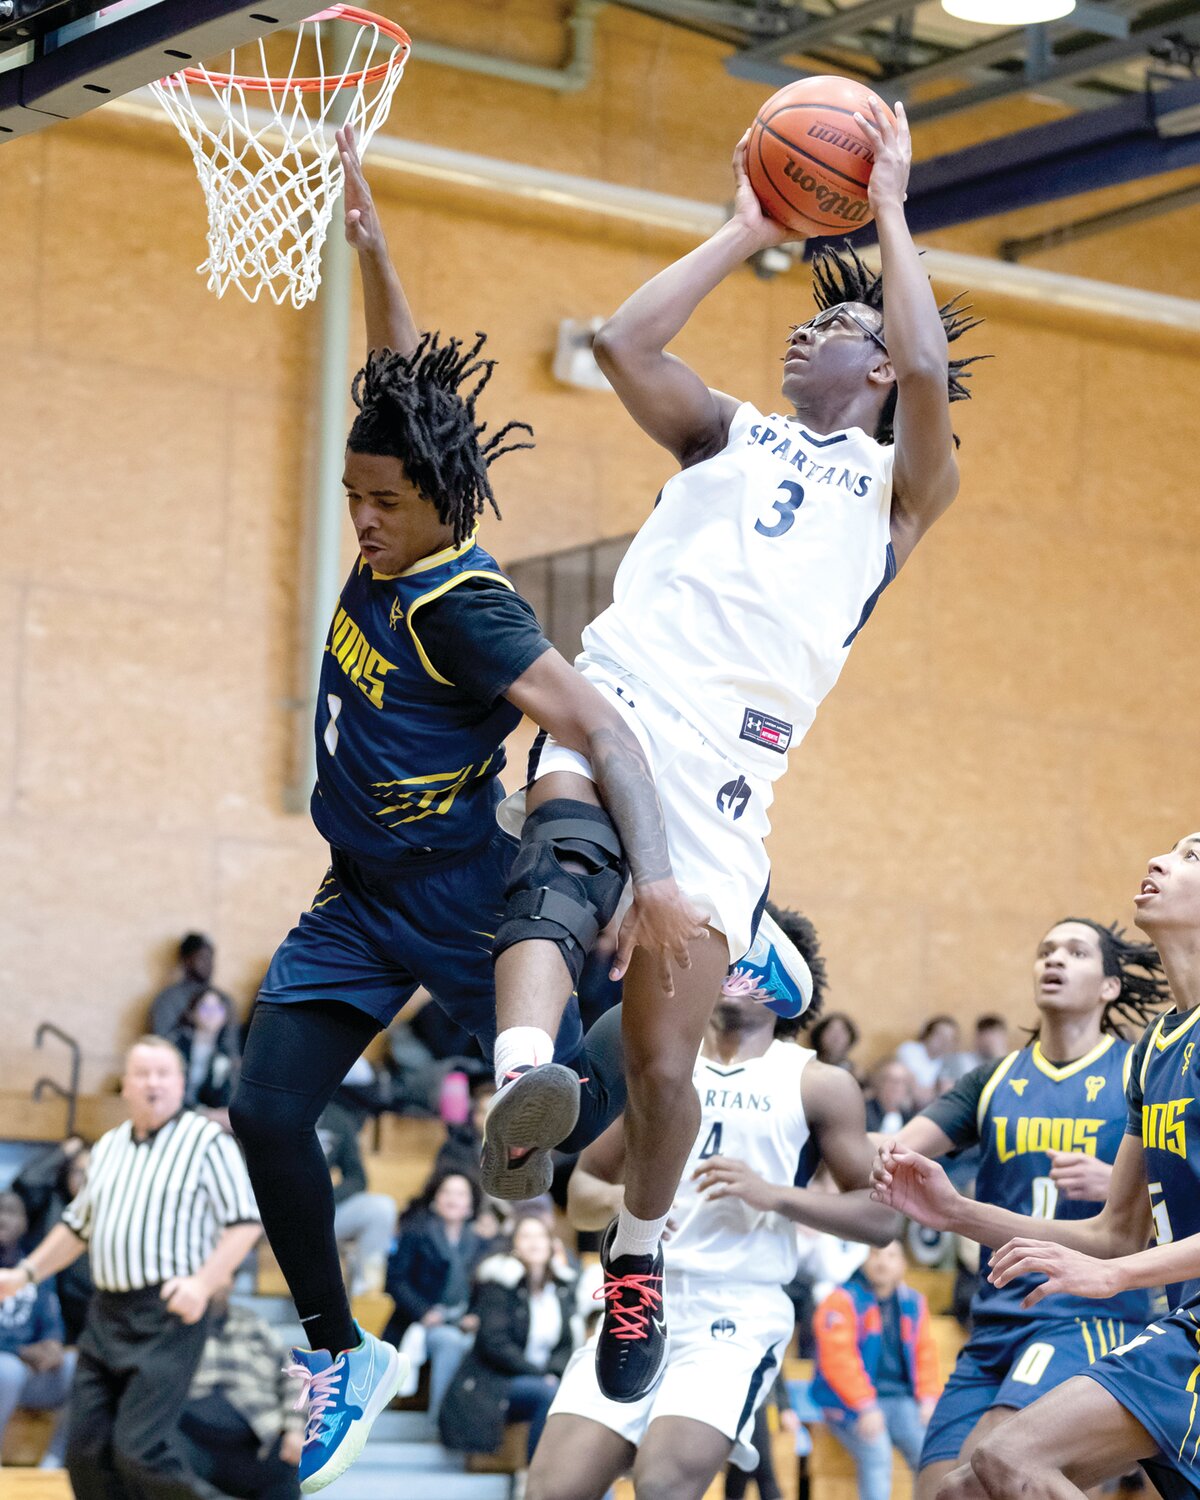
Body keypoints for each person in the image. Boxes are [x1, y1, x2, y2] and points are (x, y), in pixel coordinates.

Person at [225, 126, 703, 1494]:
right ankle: (342, 1353)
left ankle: (723, 990)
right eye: (352, 498)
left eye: (381, 503)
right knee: (264, 1113)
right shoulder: (401, 514)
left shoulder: (470, 605)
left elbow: (601, 723)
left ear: (433, 506)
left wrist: (654, 879)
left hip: (454, 890)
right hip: (354, 894)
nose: (361, 519)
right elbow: (408, 392)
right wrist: (374, 252)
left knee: (586, 1120)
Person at [483, 97, 983, 1403]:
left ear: (874, 374)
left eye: (844, 325)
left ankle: (637, 1254)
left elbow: (932, 374)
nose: (812, 325)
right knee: (558, 857)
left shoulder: (900, 493)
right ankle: (520, 1082)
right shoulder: (724, 431)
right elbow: (621, 340)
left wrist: (888, 208)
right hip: (618, 703)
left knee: (660, 1067)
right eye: (815, 312)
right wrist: (745, 223)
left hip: (727, 793)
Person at [525, 908, 901, 1500]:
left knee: (663, 1485)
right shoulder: (657, 1064)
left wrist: (775, 1195)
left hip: (737, 1315)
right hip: (637, 1302)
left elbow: (884, 1220)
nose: (737, 966)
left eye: (756, 953)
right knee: (549, 1492)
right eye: (729, 951)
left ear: (790, 980)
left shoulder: (817, 1083)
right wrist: (632, 1202)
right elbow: (581, 1197)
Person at [871, 873, 1200, 1500]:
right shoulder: (1159, 1048)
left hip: (1088, 1316)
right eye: (1047, 949)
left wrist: (1116, 1272)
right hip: (1011, 1316)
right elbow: (1111, 1231)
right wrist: (953, 1209)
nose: (1161, 860)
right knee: (954, 1491)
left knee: (1008, 1465)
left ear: (1108, 985)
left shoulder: (1126, 1059)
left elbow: (1116, 1249)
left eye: (1076, 951)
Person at [0, 1036, 261, 1500]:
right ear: (126, 1085)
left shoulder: (205, 1141)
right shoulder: (108, 1148)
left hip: (168, 1312)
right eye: (143, 1074)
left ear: (181, 1083)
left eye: (164, 1074)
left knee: (140, 1450)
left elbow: (244, 1224)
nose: (153, 1084)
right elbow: (76, 1228)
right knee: (85, 1452)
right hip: (107, 1313)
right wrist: (25, 1275)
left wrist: (204, 1283)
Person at [438, 1215, 578, 1465]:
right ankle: (536, 1478)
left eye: (540, 1236)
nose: (534, 1242)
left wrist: (552, 1372)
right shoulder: (500, 1284)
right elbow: (494, 1344)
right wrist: (538, 1374)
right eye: (526, 1236)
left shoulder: (561, 1288)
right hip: (494, 1381)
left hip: (543, 1378)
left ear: (551, 1244)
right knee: (547, 1393)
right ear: (514, 1245)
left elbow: (566, 1344)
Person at [811, 1239, 942, 1500]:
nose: (883, 1261)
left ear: (903, 1265)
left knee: (933, 1454)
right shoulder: (841, 1300)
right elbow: (838, 1361)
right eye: (875, 1254)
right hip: (848, 1405)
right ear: (864, 1259)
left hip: (902, 1400)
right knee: (877, 1452)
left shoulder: (913, 1303)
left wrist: (928, 1399)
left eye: (891, 1256)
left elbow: (926, 1354)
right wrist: (865, 1406)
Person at [382, 1171, 494, 1418]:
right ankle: (440, 1421)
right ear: (435, 1198)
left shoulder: (480, 1242)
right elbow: (395, 1281)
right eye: (447, 1192)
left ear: (471, 1203)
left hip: (463, 1322)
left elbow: (486, 1290)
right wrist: (423, 1312)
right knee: (450, 1342)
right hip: (419, 1322)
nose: (453, 1199)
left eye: (461, 1193)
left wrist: (475, 1316)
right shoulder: (415, 1231)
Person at [180, 1289, 302, 1500]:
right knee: (159, 1458)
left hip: (258, 1438)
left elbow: (294, 1373)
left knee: (286, 1463)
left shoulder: (253, 1323)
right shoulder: (173, 1326)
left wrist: (295, 1428)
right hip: (191, 1437)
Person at [0, 1192, 76, 1469]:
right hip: (8, 1370)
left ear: (24, 1222)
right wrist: (19, 1352)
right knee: (5, 1370)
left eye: (10, 1211)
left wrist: (53, 1345)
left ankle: (55, 1462)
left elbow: (52, 1325)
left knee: (78, 1366)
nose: (2, 1218)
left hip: (30, 1375)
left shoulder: (35, 1269)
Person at [314, 1094, 397, 1298]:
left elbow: (357, 1178)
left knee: (381, 1208)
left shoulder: (337, 1119)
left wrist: (324, 1199)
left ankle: (365, 1291)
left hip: (315, 1211)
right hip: (264, 1208)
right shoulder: (272, 1106)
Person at [170, 988, 241, 1116]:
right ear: (192, 1013)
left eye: (217, 1009)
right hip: (177, 1112)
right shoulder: (176, 1045)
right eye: (205, 1008)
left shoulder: (227, 1053)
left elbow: (227, 1097)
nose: (211, 1014)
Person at [150, 933, 234, 1038]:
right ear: (186, 960)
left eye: (210, 958)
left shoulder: (224, 1000)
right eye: (202, 957)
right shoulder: (167, 999)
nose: (209, 963)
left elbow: (231, 1048)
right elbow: (161, 1043)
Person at [896, 1017, 962, 1107]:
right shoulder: (910, 1050)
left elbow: (948, 1094)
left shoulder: (946, 1061)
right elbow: (917, 1093)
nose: (945, 1041)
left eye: (950, 1038)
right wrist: (936, 1091)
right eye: (940, 1035)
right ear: (927, 1034)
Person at [810, 1012, 866, 1084]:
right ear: (819, 1036)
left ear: (850, 1039)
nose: (836, 1037)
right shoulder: (808, 1067)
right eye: (830, 1030)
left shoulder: (856, 1074)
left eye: (842, 1032)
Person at [864, 1059, 917, 1135]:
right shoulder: (865, 1111)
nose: (897, 1088)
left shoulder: (911, 1120)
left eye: (904, 1083)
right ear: (879, 1083)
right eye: (893, 1081)